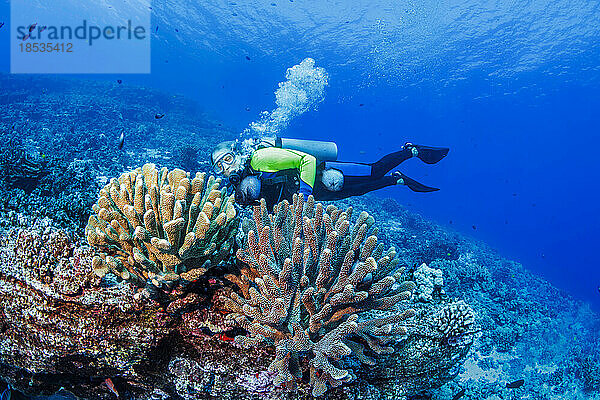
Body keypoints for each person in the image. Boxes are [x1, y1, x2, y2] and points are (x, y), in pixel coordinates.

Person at [211, 140, 449, 209]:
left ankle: (410, 151)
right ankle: (398, 179)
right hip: (320, 194)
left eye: (228, 159)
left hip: (326, 175)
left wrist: (303, 196)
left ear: (237, 154)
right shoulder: (241, 185)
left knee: (374, 170)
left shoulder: (260, 159)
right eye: (220, 166)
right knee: (361, 190)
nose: (227, 168)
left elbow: (307, 160)